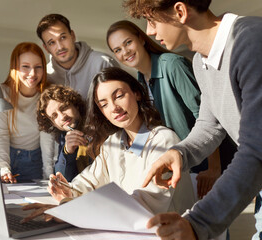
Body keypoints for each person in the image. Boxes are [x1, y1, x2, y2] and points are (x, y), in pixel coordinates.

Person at [123, 0, 262, 239]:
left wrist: (198, 223)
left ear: (180, 11)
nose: (149, 31)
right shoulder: (200, 62)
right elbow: (210, 124)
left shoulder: (250, 40)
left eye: (152, 20)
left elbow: (257, 149)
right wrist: (180, 153)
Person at [106, 20, 231, 199]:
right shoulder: (140, 81)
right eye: (117, 50)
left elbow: (206, 115)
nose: (125, 52)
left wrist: (213, 169)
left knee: (213, 224)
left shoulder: (173, 65)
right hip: (180, 166)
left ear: (141, 38)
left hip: (204, 163)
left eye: (128, 43)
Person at [44, 67, 195, 216]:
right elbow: (90, 181)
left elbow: (146, 203)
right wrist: (69, 190)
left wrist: (73, 205)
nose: (114, 108)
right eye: (104, 104)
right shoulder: (113, 143)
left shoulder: (163, 140)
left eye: (119, 96)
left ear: (137, 93)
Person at [0, 42, 50, 183]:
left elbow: (47, 138)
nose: (32, 73)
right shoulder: (2, 93)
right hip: (6, 156)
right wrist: (4, 168)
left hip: (35, 159)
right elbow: (1, 135)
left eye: (38, 67)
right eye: (25, 67)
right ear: (15, 68)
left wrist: (49, 174)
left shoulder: (47, 96)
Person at [36, 13, 119, 99]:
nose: (60, 47)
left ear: (72, 36)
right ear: (46, 48)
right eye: (52, 43)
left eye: (63, 37)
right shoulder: (45, 76)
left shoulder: (103, 63)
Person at [36, 85, 91, 182]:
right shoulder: (65, 136)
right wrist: (68, 152)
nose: (62, 117)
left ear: (76, 105)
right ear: (53, 124)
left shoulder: (97, 126)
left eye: (64, 108)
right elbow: (62, 178)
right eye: (54, 116)